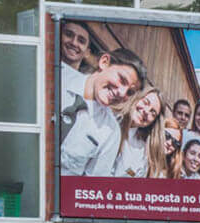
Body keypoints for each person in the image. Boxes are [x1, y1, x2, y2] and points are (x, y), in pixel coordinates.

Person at [60, 48, 146, 177]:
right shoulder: (56, 76)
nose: (121, 93)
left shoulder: (110, 133)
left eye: (129, 92)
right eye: (122, 79)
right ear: (104, 62)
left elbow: (90, 187)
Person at [112, 88, 166, 178]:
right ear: (137, 98)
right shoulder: (109, 119)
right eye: (145, 102)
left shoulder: (141, 150)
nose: (146, 111)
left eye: (153, 112)